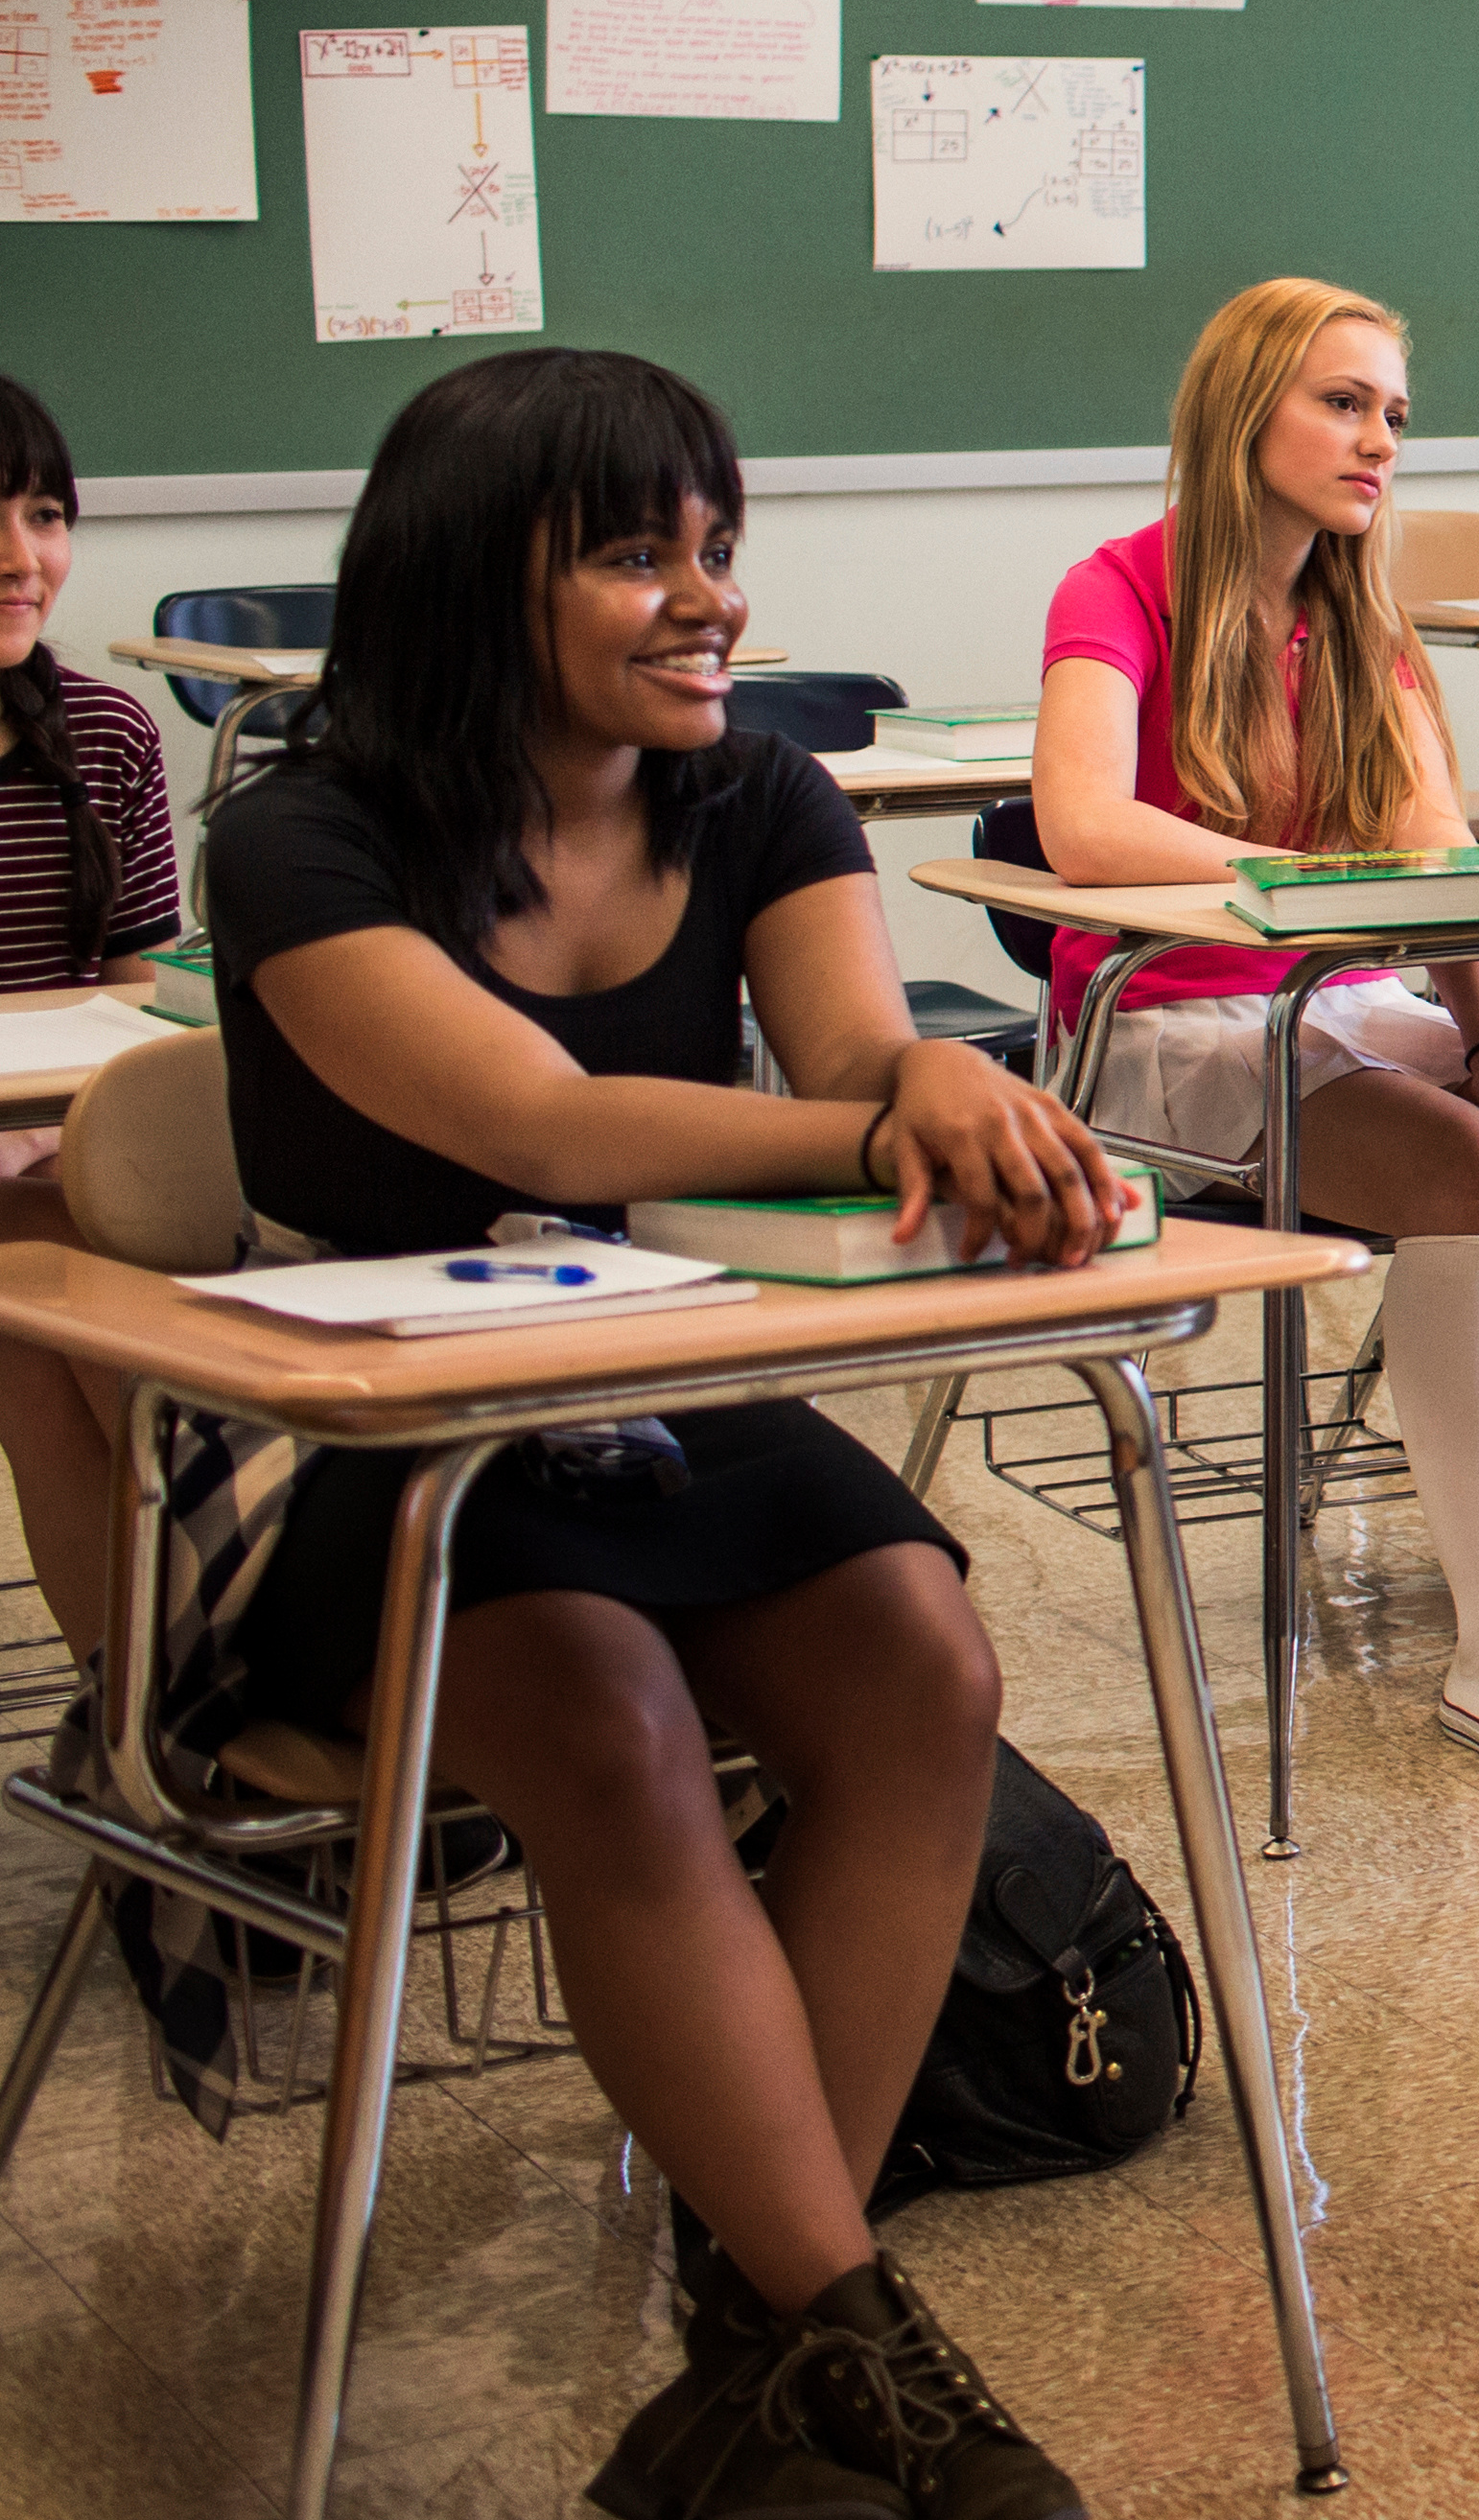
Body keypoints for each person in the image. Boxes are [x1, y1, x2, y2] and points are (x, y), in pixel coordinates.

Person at [200, 346, 1120, 2519]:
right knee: (609, 1719)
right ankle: (865, 2351)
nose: (707, 594)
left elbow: (851, 1051)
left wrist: (921, 1100)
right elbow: (532, 1112)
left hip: (648, 1388)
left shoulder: (763, 800)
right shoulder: (301, 834)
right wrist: (900, 1103)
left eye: (718, 543)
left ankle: (760, 2349)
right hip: (357, 1441)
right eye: (635, 552)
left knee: (927, 1653)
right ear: (464, 584)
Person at [1029, 279, 1479, 1791]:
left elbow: (1435, 865)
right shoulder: (1116, 585)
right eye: (1342, 401)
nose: (1378, 438)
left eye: (1394, 412)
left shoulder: (1358, 619)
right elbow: (1081, 824)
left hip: (1324, 1004)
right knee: (1457, 1161)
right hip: (1162, 1021)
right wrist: (1303, 881)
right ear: (1244, 409)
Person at [0, 371, 184, 1655]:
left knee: (80, 1268)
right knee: (49, 1290)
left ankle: (155, 1707)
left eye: (46, 514)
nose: (25, 560)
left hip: (46, 1153)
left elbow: (136, 991)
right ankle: (171, 1708)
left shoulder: (104, 732)